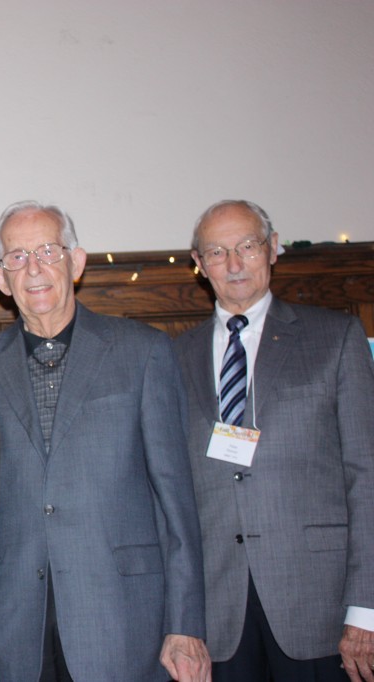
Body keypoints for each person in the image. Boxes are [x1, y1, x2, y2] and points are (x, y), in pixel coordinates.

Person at [0, 200, 209, 682]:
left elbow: (175, 500)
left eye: (48, 251)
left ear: (76, 263)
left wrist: (185, 623)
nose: (33, 269)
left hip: (124, 617)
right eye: (16, 257)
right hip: (14, 622)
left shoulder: (143, 351)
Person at [174, 199, 374, 682]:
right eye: (217, 252)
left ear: (274, 248)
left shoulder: (336, 338)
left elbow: (367, 475)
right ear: (200, 266)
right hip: (218, 610)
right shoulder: (172, 357)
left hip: (319, 605)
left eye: (247, 245)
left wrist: (365, 608)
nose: (235, 263)